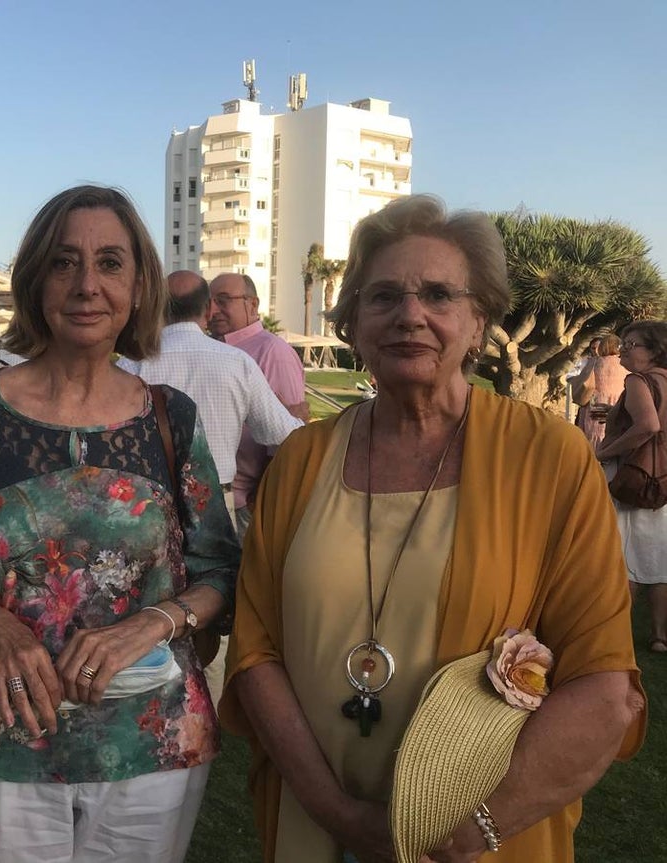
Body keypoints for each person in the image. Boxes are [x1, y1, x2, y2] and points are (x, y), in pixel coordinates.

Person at [220, 194, 645, 863]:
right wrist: (338, 814)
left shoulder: (549, 458)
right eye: (383, 295)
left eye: (439, 294)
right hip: (314, 823)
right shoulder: (302, 459)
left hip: (480, 842)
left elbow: (604, 685)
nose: (409, 314)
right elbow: (255, 648)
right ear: (353, 324)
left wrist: (466, 833)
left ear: (479, 324)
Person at [0, 185, 240, 863]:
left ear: (139, 287)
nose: (86, 285)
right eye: (64, 262)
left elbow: (222, 569)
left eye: (109, 263)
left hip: (154, 742)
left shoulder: (169, 416)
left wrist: (153, 621)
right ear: (34, 279)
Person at [119, 270, 302, 702]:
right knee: (213, 603)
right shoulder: (236, 362)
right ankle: (210, 704)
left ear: (158, 310)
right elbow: (288, 435)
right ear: (207, 309)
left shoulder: (134, 366)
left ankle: (149, 695)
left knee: (147, 604)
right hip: (216, 500)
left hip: (145, 504)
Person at [208, 273, 309, 538]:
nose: (213, 310)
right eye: (209, 302)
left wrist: (258, 502)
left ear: (252, 304)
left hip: (245, 505)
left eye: (223, 300)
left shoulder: (273, 352)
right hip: (212, 499)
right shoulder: (213, 349)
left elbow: (290, 441)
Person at [597, 320, 667, 654]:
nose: (623, 349)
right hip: (661, 479)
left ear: (654, 351)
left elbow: (648, 425)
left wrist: (603, 452)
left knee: (623, 556)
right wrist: (614, 413)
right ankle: (659, 635)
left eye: (631, 344)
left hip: (633, 476)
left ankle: (617, 634)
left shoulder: (638, 380)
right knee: (657, 557)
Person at [572, 334, 625, 450]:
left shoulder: (595, 362)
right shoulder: (624, 364)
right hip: (617, 403)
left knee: (593, 436)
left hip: (595, 403)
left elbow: (583, 381)